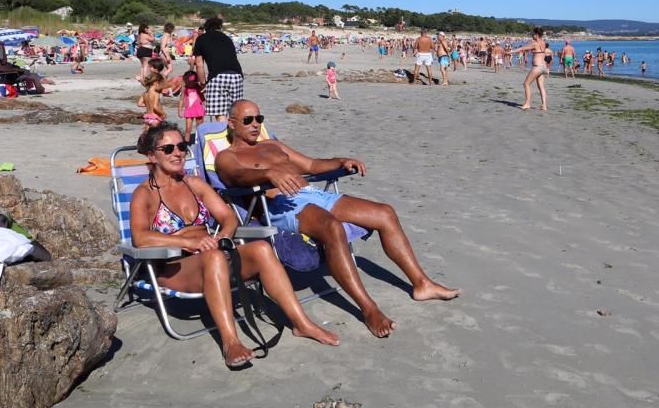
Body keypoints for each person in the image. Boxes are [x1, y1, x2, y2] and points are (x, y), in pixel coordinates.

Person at [215, 100, 460, 338]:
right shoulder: (227, 156)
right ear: (232, 123)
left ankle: (422, 284)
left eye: (259, 118)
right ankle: (369, 309)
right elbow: (237, 176)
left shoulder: (271, 144)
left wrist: (341, 161)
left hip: (312, 194)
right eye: (248, 120)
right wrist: (267, 173)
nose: (255, 124)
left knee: (385, 212)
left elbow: (311, 164)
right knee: (332, 228)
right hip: (280, 206)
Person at [129, 123, 339, 368]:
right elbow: (140, 238)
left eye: (182, 146)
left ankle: (302, 324)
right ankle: (230, 342)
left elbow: (227, 217)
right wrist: (188, 241)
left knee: (261, 249)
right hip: (174, 266)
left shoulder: (194, 184)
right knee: (214, 258)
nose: (177, 153)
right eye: (168, 148)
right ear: (152, 156)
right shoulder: (145, 194)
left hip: (211, 254)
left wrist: (223, 237)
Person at [193, 17, 244, 122]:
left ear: (206, 27)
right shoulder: (227, 38)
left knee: (220, 113)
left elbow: (199, 64)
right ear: (220, 27)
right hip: (236, 75)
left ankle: (223, 135)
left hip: (217, 77)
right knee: (235, 112)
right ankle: (234, 136)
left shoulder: (201, 39)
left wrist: (202, 82)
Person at [510, 27, 551, 111]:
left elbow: (522, 49)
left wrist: (511, 52)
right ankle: (544, 105)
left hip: (538, 67)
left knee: (526, 84)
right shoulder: (543, 43)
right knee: (541, 87)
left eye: (533, 34)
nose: (532, 35)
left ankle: (528, 103)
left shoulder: (535, 44)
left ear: (536, 35)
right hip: (543, 67)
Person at [178, 70, 205, 142]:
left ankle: (200, 141)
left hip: (199, 109)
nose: (190, 84)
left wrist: (205, 106)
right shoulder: (184, 89)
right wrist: (179, 110)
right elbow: (181, 100)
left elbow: (202, 98)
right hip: (189, 110)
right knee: (188, 128)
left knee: (200, 127)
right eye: (188, 82)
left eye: (192, 82)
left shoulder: (198, 87)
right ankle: (186, 143)